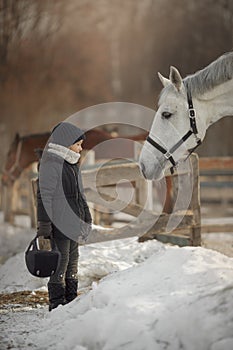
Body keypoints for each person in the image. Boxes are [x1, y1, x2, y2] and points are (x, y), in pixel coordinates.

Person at [36, 122, 92, 311]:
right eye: (78, 144)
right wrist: (44, 227)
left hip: (74, 223)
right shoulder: (50, 165)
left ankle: (71, 300)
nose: (81, 148)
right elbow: (44, 197)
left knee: (73, 261)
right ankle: (57, 303)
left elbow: (80, 196)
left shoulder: (73, 164)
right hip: (58, 225)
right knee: (61, 262)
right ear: (66, 144)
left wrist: (87, 219)